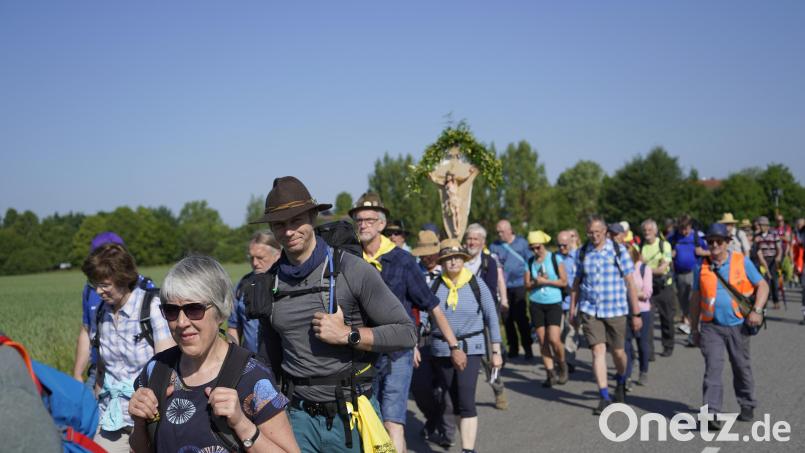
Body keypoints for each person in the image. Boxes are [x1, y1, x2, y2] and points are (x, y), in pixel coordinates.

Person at [251, 177, 417, 452]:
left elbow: (407, 333)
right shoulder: (270, 283)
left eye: (296, 220)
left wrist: (348, 335)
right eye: (279, 224)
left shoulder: (352, 270)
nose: (288, 231)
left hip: (349, 414)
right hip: (296, 417)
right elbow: (268, 359)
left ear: (312, 217)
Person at [129, 256, 298, 452]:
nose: (181, 322)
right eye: (171, 310)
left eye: (194, 309)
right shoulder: (156, 370)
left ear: (220, 311)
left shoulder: (253, 377)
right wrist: (139, 422)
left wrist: (242, 425)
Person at [350, 192, 464, 453]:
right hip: (362, 352)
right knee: (369, 419)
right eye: (359, 220)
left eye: (369, 220)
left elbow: (431, 304)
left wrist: (454, 345)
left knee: (393, 419)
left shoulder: (402, 260)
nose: (363, 225)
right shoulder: (350, 259)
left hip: (398, 352)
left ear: (381, 224)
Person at [81, 243, 174, 452]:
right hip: (111, 417)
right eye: (94, 284)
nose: (98, 291)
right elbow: (102, 371)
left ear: (123, 279)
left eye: (105, 285)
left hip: (148, 417)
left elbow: (166, 370)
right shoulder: (101, 313)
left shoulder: (151, 308)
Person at [690, 223, 769, 428]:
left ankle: (747, 403)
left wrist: (757, 310)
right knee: (713, 368)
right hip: (711, 327)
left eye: (719, 241)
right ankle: (712, 413)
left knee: (741, 366)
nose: (714, 245)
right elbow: (695, 299)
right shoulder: (701, 266)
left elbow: (763, 285)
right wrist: (693, 329)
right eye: (710, 242)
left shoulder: (741, 261)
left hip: (738, 325)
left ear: (727, 243)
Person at [430, 239, 502, 453]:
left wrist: (496, 351)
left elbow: (491, 317)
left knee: (466, 398)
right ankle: (466, 444)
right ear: (442, 262)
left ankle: (468, 450)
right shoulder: (435, 285)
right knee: (453, 399)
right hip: (442, 349)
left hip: (472, 347)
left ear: (463, 260)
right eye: (448, 259)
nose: (453, 262)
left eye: (457, 258)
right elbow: (425, 316)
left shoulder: (476, 283)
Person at [569, 215, 641, 415]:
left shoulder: (618, 251)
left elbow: (630, 283)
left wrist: (636, 313)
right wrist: (572, 310)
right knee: (597, 351)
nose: (594, 236)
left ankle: (621, 379)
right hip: (590, 309)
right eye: (590, 233)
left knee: (618, 353)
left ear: (605, 232)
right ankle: (604, 397)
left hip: (616, 310)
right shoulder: (583, 252)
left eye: (597, 232)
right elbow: (576, 283)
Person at [410, 229, 455, 448]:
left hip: (444, 336)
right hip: (419, 338)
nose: (427, 258)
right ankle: (433, 417)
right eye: (423, 254)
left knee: (446, 387)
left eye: (431, 253)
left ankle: (447, 432)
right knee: (420, 388)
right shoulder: (412, 272)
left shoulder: (449, 272)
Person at [73, 231, 126, 389]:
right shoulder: (90, 290)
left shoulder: (142, 290)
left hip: (132, 370)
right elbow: (87, 330)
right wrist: (77, 374)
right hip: (98, 371)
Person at [464, 223, 509, 408]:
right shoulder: (458, 260)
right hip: (461, 317)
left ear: (483, 242)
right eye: (469, 238)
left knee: (487, 358)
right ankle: (463, 397)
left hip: (483, 315)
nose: (472, 242)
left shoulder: (488, 262)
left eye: (476, 239)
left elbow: (490, 291)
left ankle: (498, 389)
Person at [524, 230, 568, 387]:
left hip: (553, 302)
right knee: (542, 340)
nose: (535, 251)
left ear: (543, 245)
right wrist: (535, 282)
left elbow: (564, 282)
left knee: (554, 339)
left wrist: (546, 282)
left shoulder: (555, 258)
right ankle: (550, 373)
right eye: (532, 248)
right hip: (536, 302)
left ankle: (562, 364)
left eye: (538, 247)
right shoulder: (530, 262)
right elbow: (527, 285)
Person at [227, 230, 281, 353]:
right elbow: (233, 327)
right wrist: (232, 356)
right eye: (251, 258)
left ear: (277, 255)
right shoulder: (242, 285)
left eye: (260, 258)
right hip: (251, 361)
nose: (255, 263)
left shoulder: (287, 284)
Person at [490, 219, 533, 360]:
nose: (499, 234)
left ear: (509, 230)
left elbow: (530, 261)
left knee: (521, 317)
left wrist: (529, 280)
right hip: (503, 286)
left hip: (519, 284)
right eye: (498, 232)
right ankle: (513, 347)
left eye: (502, 232)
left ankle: (527, 347)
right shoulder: (494, 246)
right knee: (507, 318)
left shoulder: (522, 243)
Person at [667, 214, 709, 343]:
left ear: (690, 226)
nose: (683, 231)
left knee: (693, 300)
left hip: (694, 272)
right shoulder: (674, 237)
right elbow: (664, 249)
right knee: (683, 300)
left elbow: (710, 251)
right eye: (681, 228)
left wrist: (702, 252)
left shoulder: (697, 237)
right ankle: (687, 321)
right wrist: (670, 253)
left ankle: (693, 328)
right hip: (679, 274)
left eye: (685, 228)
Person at [640, 219, 676, 357]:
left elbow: (662, 269)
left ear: (655, 231)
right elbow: (638, 267)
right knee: (647, 321)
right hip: (647, 288)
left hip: (664, 287)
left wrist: (646, 267)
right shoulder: (641, 246)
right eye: (645, 230)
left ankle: (668, 346)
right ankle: (649, 351)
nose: (647, 233)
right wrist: (653, 268)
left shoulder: (664, 245)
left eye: (650, 230)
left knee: (667, 318)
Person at [624, 247, 653, 388]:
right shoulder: (620, 270)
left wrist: (631, 291)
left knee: (642, 343)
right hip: (625, 311)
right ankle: (627, 376)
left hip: (643, 311)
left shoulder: (644, 269)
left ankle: (643, 371)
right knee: (625, 345)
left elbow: (647, 293)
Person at [556, 230, 579, 373]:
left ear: (571, 243)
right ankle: (560, 359)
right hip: (557, 299)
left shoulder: (577, 257)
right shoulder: (554, 258)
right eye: (559, 245)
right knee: (557, 332)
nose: (561, 248)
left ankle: (569, 360)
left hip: (573, 299)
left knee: (571, 330)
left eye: (564, 245)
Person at [754, 216, 783, 309]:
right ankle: (764, 302)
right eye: (760, 225)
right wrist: (766, 268)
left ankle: (776, 300)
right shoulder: (757, 237)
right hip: (763, 260)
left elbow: (779, 248)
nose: (760, 227)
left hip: (773, 259)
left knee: (774, 281)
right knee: (765, 281)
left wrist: (778, 257)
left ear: (767, 226)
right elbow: (759, 253)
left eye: (762, 225)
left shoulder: (774, 234)